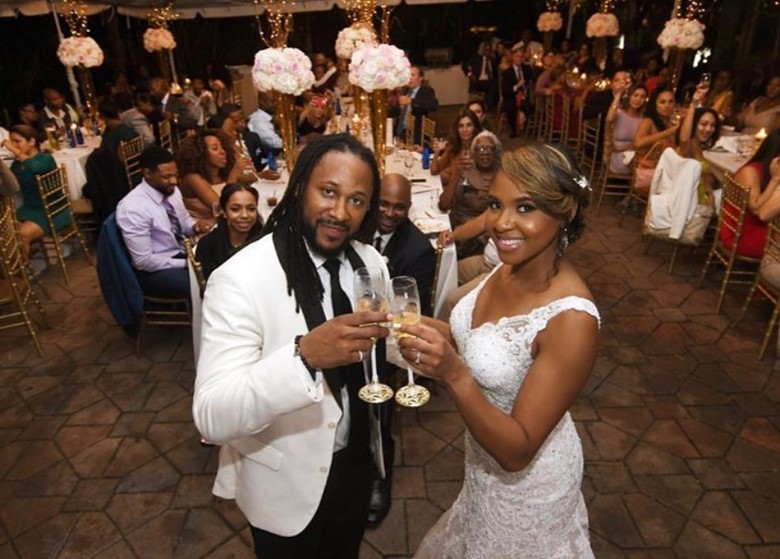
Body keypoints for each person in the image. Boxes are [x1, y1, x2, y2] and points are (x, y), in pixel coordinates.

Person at [193, 134, 393, 559]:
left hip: (356, 466)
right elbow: (211, 416)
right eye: (328, 192)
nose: (341, 213)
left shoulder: (370, 264)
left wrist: (407, 349)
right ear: (300, 186)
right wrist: (303, 358)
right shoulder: (241, 278)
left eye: (357, 201)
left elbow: (377, 354)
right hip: (284, 483)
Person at [397, 142, 599, 558]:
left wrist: (454, 373)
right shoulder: (507, 268)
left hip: (527, 488)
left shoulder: (572, 319)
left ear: (567, 212)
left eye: (525, 208)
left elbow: (517, 451)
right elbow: (473, 338)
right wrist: (403, 324)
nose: (502, 223)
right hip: (479, 465)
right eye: (495, 204)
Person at [366, 172, 437, 527]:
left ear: (409, 208)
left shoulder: (418, 250)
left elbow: (410, 313)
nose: (390, 213)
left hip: (386, 341)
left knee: (378, 414)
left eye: (399, 207)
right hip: (345, 325)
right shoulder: (357, 225)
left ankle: (380, 477)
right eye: (384, 203)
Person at [116, 146, 209, 299]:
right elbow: (143, 261)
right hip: (154, 271)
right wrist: (186, 264)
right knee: (201, 284)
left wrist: (194, 227)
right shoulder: (133, 208)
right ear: (147, 174)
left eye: (175, 175)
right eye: (166, 177)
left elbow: (183, 220)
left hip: (181, 252)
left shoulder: (171, 190)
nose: (173, 181)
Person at [1, 124, 69, 254]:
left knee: (20, 235)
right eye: (12, 141)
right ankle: (15, 269)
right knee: (5, 233)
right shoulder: (17, 164)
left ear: (31, 142)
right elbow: (11, 186)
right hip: (30, 209)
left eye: (17, 141)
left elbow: (35, 168)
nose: (13, 145)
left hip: (53, 210)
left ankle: (22, 273)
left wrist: (16, 152)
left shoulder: (45, 159)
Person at [440, 130, 502, 259]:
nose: (485, 152)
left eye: (489, 149)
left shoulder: (502, 175)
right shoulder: (465, 170)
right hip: (456, 223)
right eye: (480, 149)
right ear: (473, 153)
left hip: (483, 231)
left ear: (496, 153)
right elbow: (444, 205)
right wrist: (456, 174)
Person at [722, 130, 780, 259]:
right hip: (740, 234)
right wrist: (776, 180)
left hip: (759, 228)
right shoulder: (751, 171)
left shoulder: (769, 174)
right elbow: (756, 209)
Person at [177, 129, 248, 227]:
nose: (222, 152)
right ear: (201, 153)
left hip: (227, 224)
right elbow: (221, 208)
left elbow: (244, 179)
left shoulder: (219, 172)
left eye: (222, 147)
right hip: (205, 229)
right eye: (215, 148)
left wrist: (261, 175)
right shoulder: (192, 177)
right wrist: (233, 175)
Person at [195, 183, 264, 280]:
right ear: (224, 212)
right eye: (235, 209)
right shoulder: (208, 245)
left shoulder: (265, 242)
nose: (244, 215)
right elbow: (211, 286)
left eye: (251, 209)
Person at [678, 87, 722, 208]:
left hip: (700, 198)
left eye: (712, 125)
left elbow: (702, 177)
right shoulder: (688, 145)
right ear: (694, 124)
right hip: (689, 204)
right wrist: (693, 104)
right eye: (703, 124)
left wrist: (710, 192)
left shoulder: (699, 146)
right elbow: (684, 138)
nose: (708, 129)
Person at [633, 86, 679, 194]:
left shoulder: (672, 125)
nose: (667, 105)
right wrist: (667, 133)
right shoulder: (649, 122)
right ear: (655, 104)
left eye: (671, 102)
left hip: (668, 173)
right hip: (650, 175)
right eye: (662, 102)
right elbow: (638, 143)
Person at [430, 108, 483, 186]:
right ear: (457, 129)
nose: (465, 129)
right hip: (454, 191)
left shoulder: (481, 148)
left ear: (475, 127)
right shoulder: (454, 147)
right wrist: (437, 152)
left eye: (469, 125)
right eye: (461, 126)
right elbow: (434, 171)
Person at [605, 83, 647, 174]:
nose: (638, 99)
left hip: (633, 155)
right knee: (641, 165)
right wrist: (619, 95)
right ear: (629, 96)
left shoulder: (642, 119)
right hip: (616, 156)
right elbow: (609, 118)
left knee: (645, 162)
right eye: (635, 95)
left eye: (642, 97)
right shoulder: (619, 113)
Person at [391, 66, 439, 144]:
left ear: (420, 78)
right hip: (400, 132)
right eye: (408, 75)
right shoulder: (405, 91)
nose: (409, 78)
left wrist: (411, 101)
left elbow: (434, 105)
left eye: (412, 75)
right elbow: (397, 111)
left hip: (416, 134)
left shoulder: (425, 90)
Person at [501, 46, 531, 137]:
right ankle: (515, 129)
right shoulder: (507, 73)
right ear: (513, 58)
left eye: (521, 57)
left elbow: (532, 81)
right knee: (510, 106)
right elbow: (505, 91)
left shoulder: (527, 69)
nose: (519, 59)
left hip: (525, 96)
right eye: (517, 56)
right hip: (512, 96)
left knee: (529, 105)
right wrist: (517, 86)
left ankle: (525, 127)